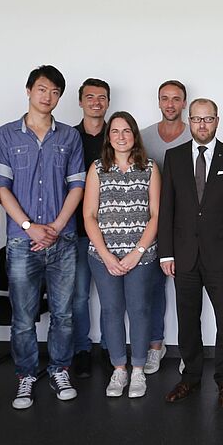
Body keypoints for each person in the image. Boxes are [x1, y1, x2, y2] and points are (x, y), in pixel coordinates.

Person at [0, 65, 85, 410]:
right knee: (23, 317)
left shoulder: (69, 137)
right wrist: (29, 226)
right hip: (22, 241)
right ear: (29, 90)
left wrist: (56, 227)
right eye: (43, 89)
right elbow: (1, 188)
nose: (48, 97)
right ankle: (26, 375)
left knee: (63, 314)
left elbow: (77, 186)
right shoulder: (5, 135)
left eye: (55, 92)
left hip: (63, 240)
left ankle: (60, 370)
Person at [158, 98, 223, 408]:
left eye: (208, 119)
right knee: (187, 320)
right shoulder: (174, 157)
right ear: (190, 121)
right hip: (183, 255)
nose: (202, 125)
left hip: (222, 257)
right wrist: (166, 253)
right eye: (197, 119)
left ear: (217, 121)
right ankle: (190, 378)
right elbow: (167, 208)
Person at [84, 112, 161, 398]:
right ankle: (119, 370)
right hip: (103, 256)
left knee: (140, 310)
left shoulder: (150, 167)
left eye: (126, 130)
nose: (121, 136)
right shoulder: (97, 168)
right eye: (115, 131)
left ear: (134, 135)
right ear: (109, 137)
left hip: (141, 255)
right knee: (112, 311)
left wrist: (137, 252)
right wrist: (106, 255)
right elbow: (89, 215)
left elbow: (156, 215)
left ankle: (138, 370)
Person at [139, 80, 193, 374]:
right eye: (165, 98)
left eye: (176, 99)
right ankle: (155, 346)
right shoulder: (143, 137)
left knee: (187, 292)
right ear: (158, 102)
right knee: (152, 290)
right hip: (151, 225)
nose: (170, 104)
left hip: (186, 228)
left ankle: (189, 350)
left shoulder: (194, 135)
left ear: (184, 103)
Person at [71, 77, 110, 378]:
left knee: (111, 298)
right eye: (90, 97)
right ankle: (81, 350)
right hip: (75, 231)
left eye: (101, 97)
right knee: (78, 296)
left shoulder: (118, 135)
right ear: (81, 101)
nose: (96, 102)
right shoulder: (68, 137)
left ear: (108, 102)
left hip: (111, 233)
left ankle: (111, 348)